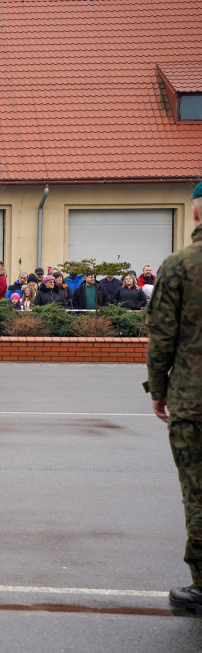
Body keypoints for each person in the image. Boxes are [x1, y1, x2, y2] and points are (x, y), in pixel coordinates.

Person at [146, 181, 202, 614]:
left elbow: (162, 335)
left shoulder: (181, 264)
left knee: (198, 493)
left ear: (196, 213)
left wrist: (158, 391)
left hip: (194, 399)